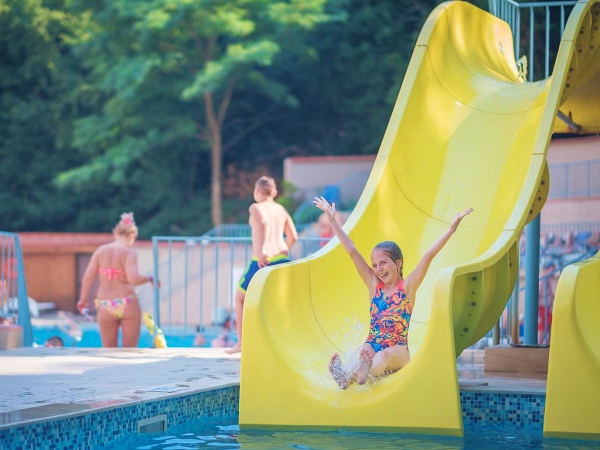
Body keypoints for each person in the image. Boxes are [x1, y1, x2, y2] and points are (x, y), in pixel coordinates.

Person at [314, 196, 473, 389]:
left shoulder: (407, 287)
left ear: (398, 263)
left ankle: (364, 370)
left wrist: (451, 229)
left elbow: (428, 256)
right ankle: (348, 374)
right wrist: (333, 221)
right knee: (363, 349)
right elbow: (351, 250)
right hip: (372, 345)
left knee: (382, 356)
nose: (378, 269)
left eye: (383, 263)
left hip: (398, 351)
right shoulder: (373, 285)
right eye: (374, 265)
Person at [226, 176, 298, 354]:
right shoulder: (281, 209)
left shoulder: (255, 207)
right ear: (274, 192)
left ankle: (241, 343)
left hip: (263, 260)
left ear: (257, 192)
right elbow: (293, 237)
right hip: (282, 258)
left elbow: (263, 223)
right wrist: (282, 250)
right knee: (275, 302)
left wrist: (262, 251)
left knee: (240, 298)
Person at [77, 213, 158, 348]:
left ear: (115, 234)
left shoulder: (100, 251)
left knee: (108, 350)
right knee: (129, 351)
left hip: (105, 303)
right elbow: (134, 278)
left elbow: (87, 277)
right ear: (131, 236)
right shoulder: (129, 253)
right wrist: (149, 277)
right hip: (127, 301)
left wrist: (83, 299)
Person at [538, 260, 556, 345]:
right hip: (541, 310)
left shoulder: (549, 281)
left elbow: (553, 295)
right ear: (545, 270)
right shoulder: (541, 281)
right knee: (541, 333)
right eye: (550, 270)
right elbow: (536, 297)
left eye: (553, 270)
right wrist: (538, 314)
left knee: (550, 333)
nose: (552, 273)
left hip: (548, 310)